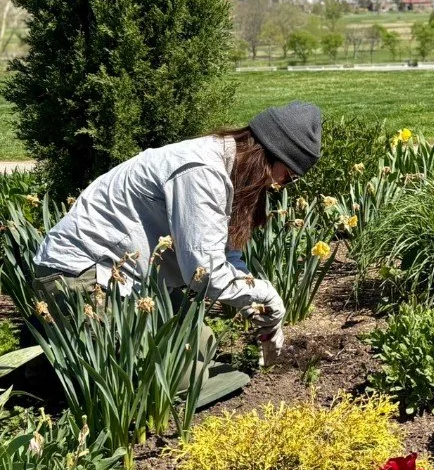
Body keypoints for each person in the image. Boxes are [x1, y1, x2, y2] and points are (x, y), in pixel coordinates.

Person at [33, 101, 322, 361]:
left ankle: (65, 350)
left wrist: (249, 297)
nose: (281, 185)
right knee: (182, 375)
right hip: (82, 277)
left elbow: (225, 254)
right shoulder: (201, 171)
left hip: (130, 282)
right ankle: (53, 360)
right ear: (269, 153)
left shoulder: (231, 170)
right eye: (288, 175)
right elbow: (204, 274)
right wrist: (267, 294)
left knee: (202, 348)